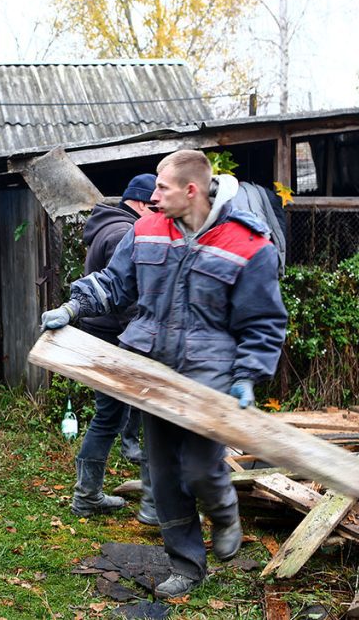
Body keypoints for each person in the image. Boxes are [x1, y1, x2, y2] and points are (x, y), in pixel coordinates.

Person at [41, 150, 286, 599]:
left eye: (162, 187)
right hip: (151, 370)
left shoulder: (247, 243)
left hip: (208, 375)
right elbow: (113, 284)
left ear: (191, 190)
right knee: (164, 475)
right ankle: (188, 566)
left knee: (198, 468)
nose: (153, 196)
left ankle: (224, 511)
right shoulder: (146, 230)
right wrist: (72, 307)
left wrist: (249, 376)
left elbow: (264, 321)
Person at [71, 173, 158, 526]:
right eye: (153, 205)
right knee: (116, 417)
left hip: (104, 336)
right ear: (139, 203)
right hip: (113, 338)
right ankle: (88, 496)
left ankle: (87, 494)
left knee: (111, 416)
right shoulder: (125, 233)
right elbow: (121, 298)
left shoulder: (108, 225)